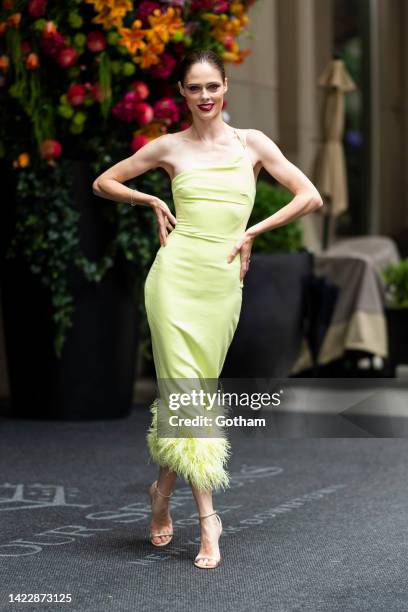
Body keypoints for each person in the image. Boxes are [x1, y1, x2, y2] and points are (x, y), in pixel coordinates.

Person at [92, 48, 323, 569]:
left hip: (221, 283)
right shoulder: (168, 147)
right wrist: (151, 201)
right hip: (173, 279)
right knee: (187, 393)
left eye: (212, 87)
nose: (204, 97)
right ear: (182, 92)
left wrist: (252, 233)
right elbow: (104, 181)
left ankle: (160, 493)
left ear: (226, 87)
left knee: (190, 395)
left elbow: (309, 196)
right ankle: (209, 522)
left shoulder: (253, 144)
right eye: (194, 88)